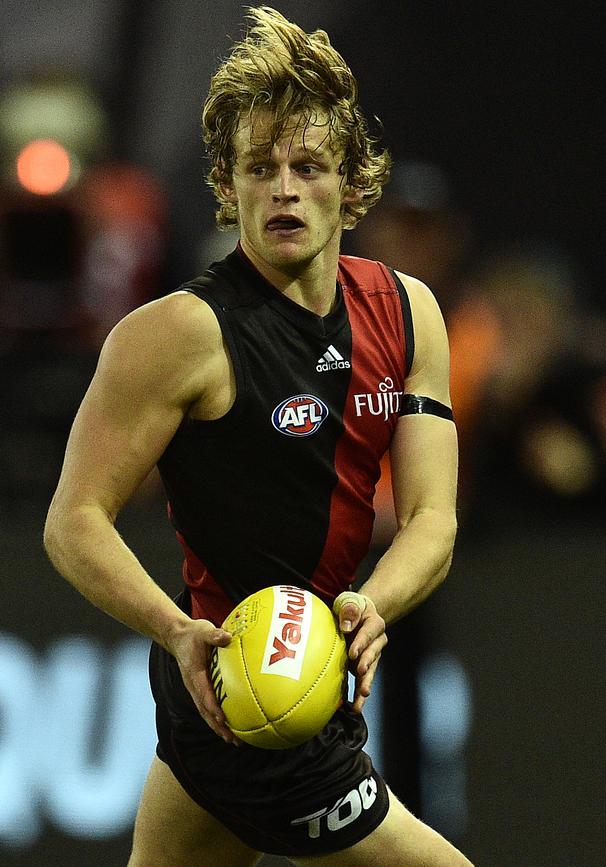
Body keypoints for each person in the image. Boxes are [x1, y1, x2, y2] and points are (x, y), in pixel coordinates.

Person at [44, 7, 469, 866]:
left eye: (307, 166)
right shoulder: (176, 336)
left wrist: (375, 602)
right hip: (243, 687)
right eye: (259, 167)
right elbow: (73, 519)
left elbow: (434, 518)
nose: (282, 188)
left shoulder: (409, 313)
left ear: (351, 182)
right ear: (226, 185)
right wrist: (173, 629)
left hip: (298, 682)